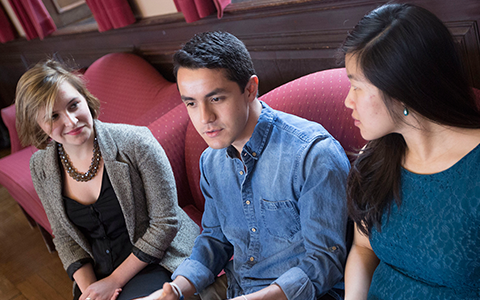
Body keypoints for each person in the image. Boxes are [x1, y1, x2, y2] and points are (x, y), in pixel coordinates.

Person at [139, 31, 351, 300]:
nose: (205, 118)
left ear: (250, 89)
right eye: (191, 103)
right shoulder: (211, 161)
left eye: (216, 99)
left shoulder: (313, 155)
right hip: (237, 287)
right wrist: (174, 290)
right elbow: (215, 240)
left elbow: (325, 261)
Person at [15, 60, 200, 300]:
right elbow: (63, 236)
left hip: (158, 258)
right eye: (53, 116)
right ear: (39, 125)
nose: (71, 121)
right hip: (99, 271)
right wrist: (90, 290)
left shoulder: (136, 143)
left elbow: (165, 224)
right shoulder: (40, 166)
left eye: (73, 105)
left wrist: (113, 282)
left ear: (85, 98)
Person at [340, 3, 480, 300]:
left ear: (401, 88)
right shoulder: (376, 158)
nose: (347, 101)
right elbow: (363, 249)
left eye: (357, 87)